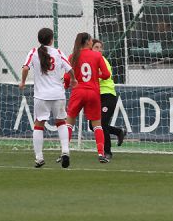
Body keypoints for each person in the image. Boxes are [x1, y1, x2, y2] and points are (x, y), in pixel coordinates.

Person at [19, 27, 77, 168]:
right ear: (52, 39)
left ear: (39, 39)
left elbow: (25, 68)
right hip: (58, 94)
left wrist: (23, 82)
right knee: (61, 122)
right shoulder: (58, 52)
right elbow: (69, 69)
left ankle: (39, 158)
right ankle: (65, 151)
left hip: (41, 96)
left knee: (39, 125)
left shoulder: (34, 52)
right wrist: (74, 80)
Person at [64, 32, 111, 163]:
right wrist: (96, 75)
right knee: (97, 125)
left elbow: (67, 77)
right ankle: (101, 154)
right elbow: (106, 74)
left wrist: (66, 86)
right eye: (91, 41)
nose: (92, 42)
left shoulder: (73, 56)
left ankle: (65, 151)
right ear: (88, 42)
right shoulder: (97, 55)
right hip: (93, 92)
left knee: (69, 123)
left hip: (78, 91)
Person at [90, 39, 126, 160]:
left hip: (108, 96)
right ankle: (118, 132)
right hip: (97, 97)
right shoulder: (91, 62)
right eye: (96, 47)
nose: (99, 49)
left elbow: (100, 77)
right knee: (92, 125)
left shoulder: (103, 61)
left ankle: (107, 152)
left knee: (101, 124)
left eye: (101, 47)